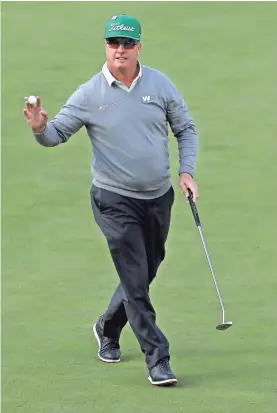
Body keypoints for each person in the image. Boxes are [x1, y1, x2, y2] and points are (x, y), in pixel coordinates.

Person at [24, 14, 199, 387]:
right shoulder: (89, 94)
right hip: (114, 200)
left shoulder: (159, 84)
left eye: (128, 43)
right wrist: (40, 127)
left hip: (158, 197)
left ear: (139, 47)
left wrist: (186, 172)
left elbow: (184, 128)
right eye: (113, 42)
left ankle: (108, 325)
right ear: (105, 45)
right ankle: (158, 358)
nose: (120, 49)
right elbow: (55, 135)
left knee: (147, 269)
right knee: (135, 279)